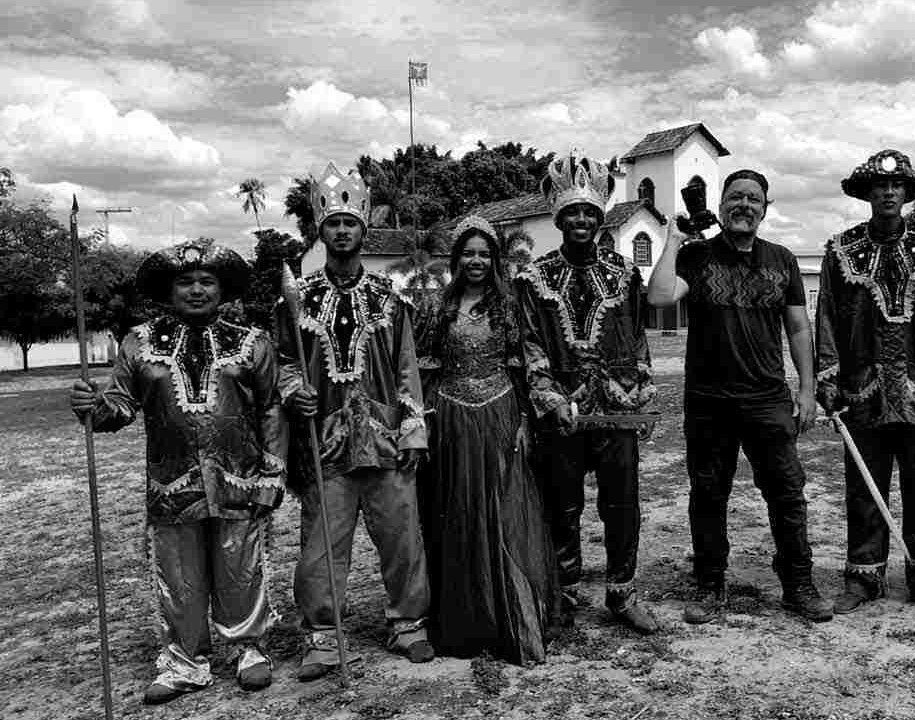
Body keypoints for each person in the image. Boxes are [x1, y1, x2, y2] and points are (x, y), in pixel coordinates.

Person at [69, 239, 284, 704]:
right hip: (173, 482)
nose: (197, 290)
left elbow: (270, 410)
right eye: (185, 282)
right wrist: (96, 406)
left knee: (240, 567)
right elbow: (121, 404)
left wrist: (273, 470)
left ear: (221, 289)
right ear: (169, 290)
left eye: (206, 281)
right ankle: (185, 661)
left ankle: (249, 649)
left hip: (239, 478)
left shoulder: (252, 342)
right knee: (180, 574)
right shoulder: (139, 343)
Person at [646, 169, 833, 625]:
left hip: (767, 398)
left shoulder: (783, 260)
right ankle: (710, 585)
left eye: (753, 198)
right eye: (734, 197)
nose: (743, 205)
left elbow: (797, 327)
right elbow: (660, 297)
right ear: (722, 204)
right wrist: (674, 238)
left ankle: (797, 583)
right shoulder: (697, 255)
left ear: (764, 208)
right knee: (708, 494)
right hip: (710, 400)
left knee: (788, 493)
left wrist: (807, 391)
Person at [278, 162, 432, 680]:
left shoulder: (390, 299)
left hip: (386, 434)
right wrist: (291, 389)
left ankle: (408, 622)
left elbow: (408, 366)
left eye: (351, 223)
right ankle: (322, 634)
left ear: (365, 230)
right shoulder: (297, 299)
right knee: (322, 540)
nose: (342, 232)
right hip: (325, 437)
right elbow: (281, 361)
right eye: (332, 223)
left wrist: (413, 428)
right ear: (319, 230)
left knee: (400, 534)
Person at [515, 152, 659, 635]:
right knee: (563, 504)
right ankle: (565, 592)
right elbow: (530, 343)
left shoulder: (622, 272)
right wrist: (548, 396)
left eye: (590, 213)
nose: (581, 220)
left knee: (622, 502)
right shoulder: (535, 277)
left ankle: (622, 591)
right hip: (562, 409)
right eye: (573, 213)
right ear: (559, 219)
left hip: (615, 408)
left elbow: (637, 335)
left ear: (601, 218)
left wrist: (639, 387)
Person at [815, 149, 915, 617]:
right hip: (863, 390)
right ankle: (864, 576)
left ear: (908, 193)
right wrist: (828, 376)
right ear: (868, 194)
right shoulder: (843, 250)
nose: (888, 192)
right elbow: (828, 318)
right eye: (879, 186)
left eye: (896, 186)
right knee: (862, 487)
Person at [414, 216, 557, 664]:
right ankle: (464, 619)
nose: (476, 261)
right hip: (451, 417)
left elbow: (522, 364)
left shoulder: (511, 305)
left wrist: (523, 419)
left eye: (484, 254)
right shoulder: (436, 305)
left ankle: (510, 616)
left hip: (500, 411)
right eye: (468, 253)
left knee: (504, 506)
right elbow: (423, 365)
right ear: (455, 259)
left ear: (494, 260)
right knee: (457, 508)